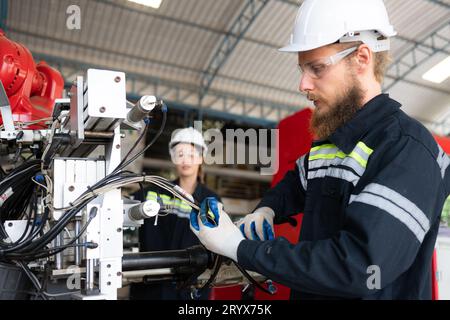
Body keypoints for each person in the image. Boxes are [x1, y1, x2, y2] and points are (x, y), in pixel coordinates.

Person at [190, 0, 450, 300]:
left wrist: (240, 248)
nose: (303, 84)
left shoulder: (408, 151)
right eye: (302, 69)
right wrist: (267, 209)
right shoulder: (334, 141)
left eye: (317, 68)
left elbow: (358, 267)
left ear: (362, 58)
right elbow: (298, 182)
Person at [130, 127, 220, 300]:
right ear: (173, 157)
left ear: (201, 158)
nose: (185, 160)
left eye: (191, 154)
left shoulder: (210, 201)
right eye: (180, 154)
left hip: (190, 287)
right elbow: (123, 206)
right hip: (151, 285)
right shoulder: (153, 192)